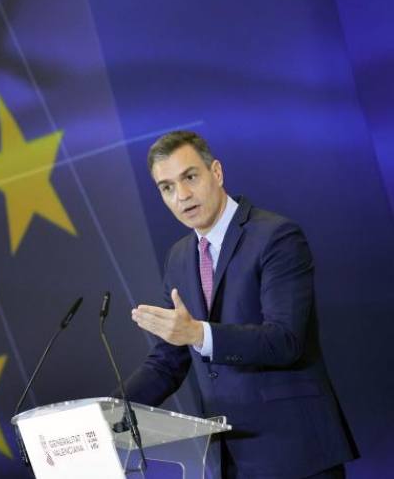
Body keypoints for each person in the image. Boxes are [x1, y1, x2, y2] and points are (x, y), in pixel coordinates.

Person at [124, 131, 358, 478]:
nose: (182, 195)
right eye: (167, 187)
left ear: (215, 173)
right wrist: (108, 412)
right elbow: (168, 361)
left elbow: (285, 340)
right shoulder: (179, 257)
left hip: (296, 454)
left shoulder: (276, 236)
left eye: (190, 177)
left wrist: (198, 333)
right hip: (231, 459)